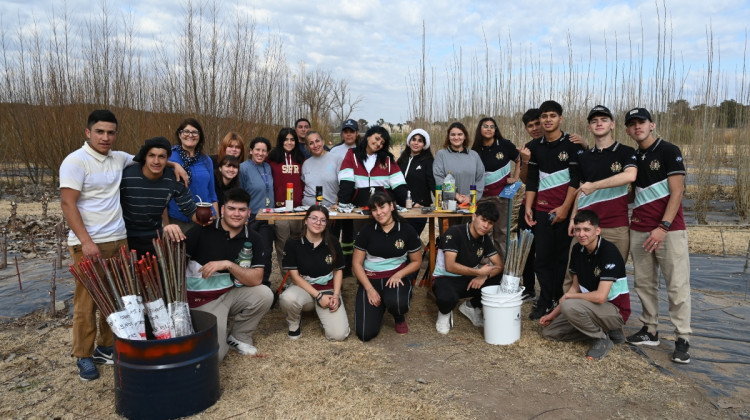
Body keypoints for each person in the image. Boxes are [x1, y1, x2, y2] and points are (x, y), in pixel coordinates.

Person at [60, 110, 186, 381]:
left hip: (120, 240)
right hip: (89, 242)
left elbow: (152, 158)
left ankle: (107, 347)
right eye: (100, 132)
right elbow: (68, 204)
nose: (105, 137)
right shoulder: (75, 161)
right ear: (88, 132)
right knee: (88, 302)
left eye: (110, 132)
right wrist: (86, 241)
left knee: (119, 299)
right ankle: (83, 355)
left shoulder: (119, 158)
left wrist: (174, 165)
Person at [623, 107, 692, 364]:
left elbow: (677, 192)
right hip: (639, 228)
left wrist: (663, 227)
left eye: (642, 122)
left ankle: (682, 338)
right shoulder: (631, 155)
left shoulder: (668, 150)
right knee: (643, 283)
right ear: (628, 130)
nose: (637, 127)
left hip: (669, 231)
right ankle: (650, 329)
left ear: (652, 125)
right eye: (632, 124)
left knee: (677, 285)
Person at [185, 188, 274, 361]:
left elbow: (257, 278)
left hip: (229, 294)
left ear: (249, 213)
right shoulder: (201, 231)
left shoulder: (254, 238)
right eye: (232, 208)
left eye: (242, 210)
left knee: (264, 294)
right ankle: (215, 331)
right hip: (202, 301)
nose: (236, 214)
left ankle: (239, 337)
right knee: (216, 355)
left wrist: (228, 264)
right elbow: (177, 266)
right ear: (223, 209)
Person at [540, 210, 631, 361]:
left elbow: (601, 297)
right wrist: (552, 315)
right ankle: (608, 330)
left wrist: (570, 297)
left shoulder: (609, 251)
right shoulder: (577, 250)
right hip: (590, 308)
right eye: (578, 229)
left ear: (597, 230)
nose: (582, 234)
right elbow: (575, 287)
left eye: (587, 230)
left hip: (614, 310)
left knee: (570, 306)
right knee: (550, 333)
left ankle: (601, 339)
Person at [524, 100, 585, 320]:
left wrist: (565, 209)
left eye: (552, 115)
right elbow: (532, 181)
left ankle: (558, 300)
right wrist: (528, 207)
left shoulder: (572, 144)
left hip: (565, 213)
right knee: (542, 259)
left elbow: (576, 181)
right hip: (541, 211)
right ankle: (544, 299)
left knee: (562, 260)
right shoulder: (534, 147)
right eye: (544, 116)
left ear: (560, 118)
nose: (547, 120)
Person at [569, 105, 637, 262]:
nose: (599, 123)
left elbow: (630, 176)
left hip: (616, 226)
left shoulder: (626, 152)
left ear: (612, 125)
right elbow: (580, 189)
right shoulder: (583, 157)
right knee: (575, 276)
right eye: (594, 121)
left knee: (614, 278)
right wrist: (573, 218)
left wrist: (594, 185)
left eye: (604, 120)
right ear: (589, 127)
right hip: (585, 227)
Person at [353, 192, 422, 341]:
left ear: (391, 206)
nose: (379, 213)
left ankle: (398, 316)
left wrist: (399, 274)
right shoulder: (366, 231)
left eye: (382, 207)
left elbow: (417, 261)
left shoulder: (406, 229)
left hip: (395, 278)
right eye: (374, 209)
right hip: (372, 279)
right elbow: (356, 263)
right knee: (365, 334)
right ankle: (380, 305)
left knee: (397, 302)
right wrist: (369, 289)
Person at [432, 201, 504, 334]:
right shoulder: (454, 232)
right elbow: (450, 266)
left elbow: (499, 265)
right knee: (447, 297)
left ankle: (471, 306)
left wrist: (484, 276)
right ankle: (444, 312)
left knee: (501, 278)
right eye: (483, 220)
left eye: (490, 223)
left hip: (469, 279)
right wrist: (478, 272)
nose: (486, 226)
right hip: (446, 278)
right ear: (474, 216)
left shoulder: (484, 238)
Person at [279, 206, 350, 341]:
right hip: (304, 288)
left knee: (339, 335)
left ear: (327, 224)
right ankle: (294, 322)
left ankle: (323, 311)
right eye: (314, 218)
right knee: (287, 298)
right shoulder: (293, 242)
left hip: (327, 288)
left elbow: (338, 270)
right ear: (306, 221)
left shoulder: (332, 241)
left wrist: (335, 295)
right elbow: (295, 276)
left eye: (323, 220)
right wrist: (318, 296)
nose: (318, 223)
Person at [120, 136, 197, 257]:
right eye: (152, 155)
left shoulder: (174, 179)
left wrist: (205, 218)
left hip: (155, 237)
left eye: (161, 156)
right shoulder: (126, 175)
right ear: (145, 156)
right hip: (124, 237)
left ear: (168, 158)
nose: (156, 161)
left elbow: (190, 209)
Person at [472, 117, 520, 259]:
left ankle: (502, 269)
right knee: (483, 232)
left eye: (492, 127)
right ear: (480, 129)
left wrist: (516, 178)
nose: (488, 129)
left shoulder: (505, 145)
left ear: (496, 129)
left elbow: (519, 160)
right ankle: (484, 268)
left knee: (501, 233)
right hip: (482, 198)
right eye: (485, 126)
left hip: (502, 197)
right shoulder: (474, 149)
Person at [338, 125, 409, 208]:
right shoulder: (352, 154)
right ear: (368, 136)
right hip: (358, 208)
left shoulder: (387, 159)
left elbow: (399, 184)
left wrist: (409, 202)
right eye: (377, 138)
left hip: (383, 209)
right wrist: (342, 202)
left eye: (382, 142)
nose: (378, 144)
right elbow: (346, 181)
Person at [168, 118, 218, 233]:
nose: (190, 135)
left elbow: (212, 194)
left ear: (200, 136)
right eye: (186, 131)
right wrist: (173, 164)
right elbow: (150, 161)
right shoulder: (170, 156)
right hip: (179, 221)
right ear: (180, 134)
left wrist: (216, 219)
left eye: (194, 132)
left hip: (205, 219)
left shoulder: (206, 160)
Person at [267, 128, 306, 276]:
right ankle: (287, 280)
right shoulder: (271, 159)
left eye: (292, 140)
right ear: (281, 141)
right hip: (280, 210)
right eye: (286, 139)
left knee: (298, 245)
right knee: (282, 246)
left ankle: (300, 277)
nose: (289, 143)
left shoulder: (301, 159)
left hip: (298, 209)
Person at [239, 137, 275, 287]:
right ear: (251, 151)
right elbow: (240, 194)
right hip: (251, 217)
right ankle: (246, 283)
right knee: (248, 252)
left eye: (264, 150)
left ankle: (265, 284)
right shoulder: (243, 168)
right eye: (257, 150)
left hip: (268, 216)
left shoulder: (267, 167)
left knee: (266, 253)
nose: (260, 153)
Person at [328, 119, 361, 275]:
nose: (348, 134)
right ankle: (335, 265)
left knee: (350, 235)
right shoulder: (334, 151)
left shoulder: (361, 149)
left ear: (356, 133)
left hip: (354, 198)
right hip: (337, 197)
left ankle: (348, 267)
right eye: (346, 131)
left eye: (352, 131)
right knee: (334, 233)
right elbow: (331, 173)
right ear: (342, 133)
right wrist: (336, 198)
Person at [517, 109, 542, 302]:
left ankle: (552, 292)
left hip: (553, 205)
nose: (535, 128)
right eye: (530, 126)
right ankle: (528, 287)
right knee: (526, 245)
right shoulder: (528, 148)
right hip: (529, 204)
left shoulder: (566, 143)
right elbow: (525, 179)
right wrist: (525, 160)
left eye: (537, 123)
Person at [433, 122, 485, 209]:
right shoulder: (441, 155)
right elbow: (439, 178)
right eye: (453, 135)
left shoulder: (474, 155)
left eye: (460, 134)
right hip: (448, 206)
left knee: (469, 223)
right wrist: (456, 196)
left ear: (465, 136)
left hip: (469, 205)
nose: (456, 137)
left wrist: (470, 198)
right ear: (448, 137)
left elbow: (480, 179)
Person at [396, 128, 435, 235]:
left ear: (424, 144)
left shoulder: (428, 162)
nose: (416, 143)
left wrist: (443, 200)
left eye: (420, 141)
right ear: (409, 141)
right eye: (414, 139)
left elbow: (433, 183)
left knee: (410, 239)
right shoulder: (401, 160)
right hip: (400, 208)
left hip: (419, 207)